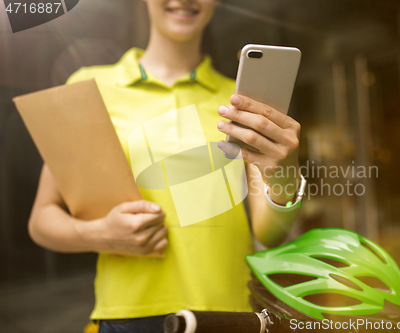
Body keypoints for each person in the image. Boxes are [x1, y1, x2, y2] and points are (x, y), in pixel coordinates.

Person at [27, 0, 303, 332]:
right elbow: (42, 218)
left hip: (229, 315)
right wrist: (98, 234)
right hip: (126, 316)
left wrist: (285, 172)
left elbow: (270, 234)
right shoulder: (88, 86)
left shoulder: (241, 103)